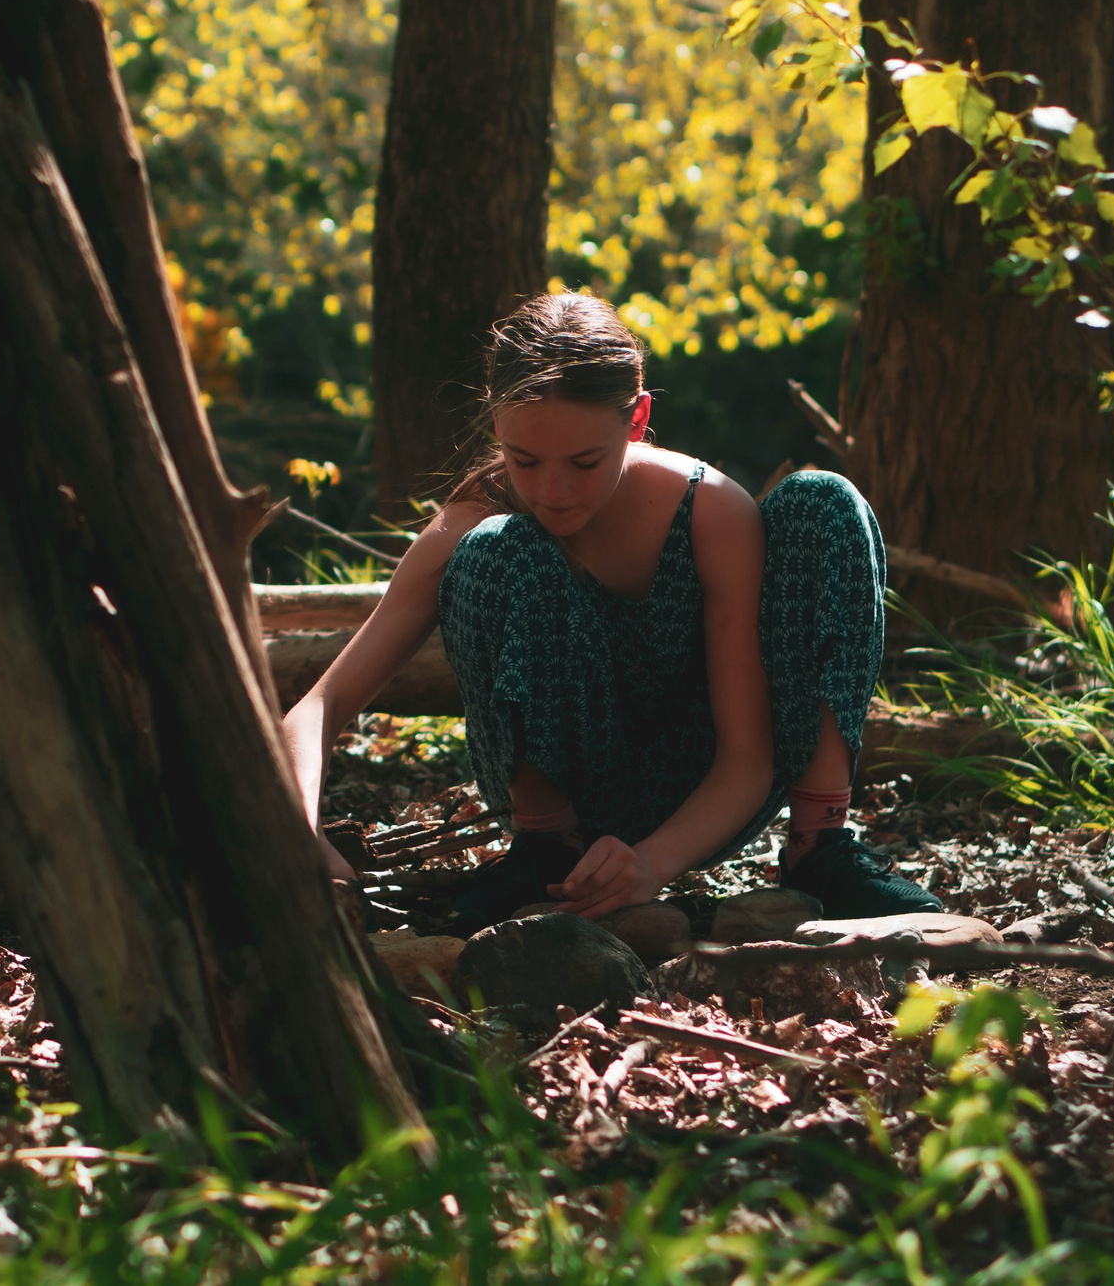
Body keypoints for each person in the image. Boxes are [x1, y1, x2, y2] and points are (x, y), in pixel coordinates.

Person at [281, 291, 944, 931]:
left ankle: (820, 847)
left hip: (704, 790)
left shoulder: (711, 510)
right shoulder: (479, 514)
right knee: (493, 547)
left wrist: (653, 861)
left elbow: (748, 756)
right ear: (495, 428)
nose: (551, 490)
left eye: (584, 461)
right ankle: (545, 851)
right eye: (525, 460)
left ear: (635, 420)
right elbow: (317, 706)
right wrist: (297, 829)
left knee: (824, 500)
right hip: (564, 795)